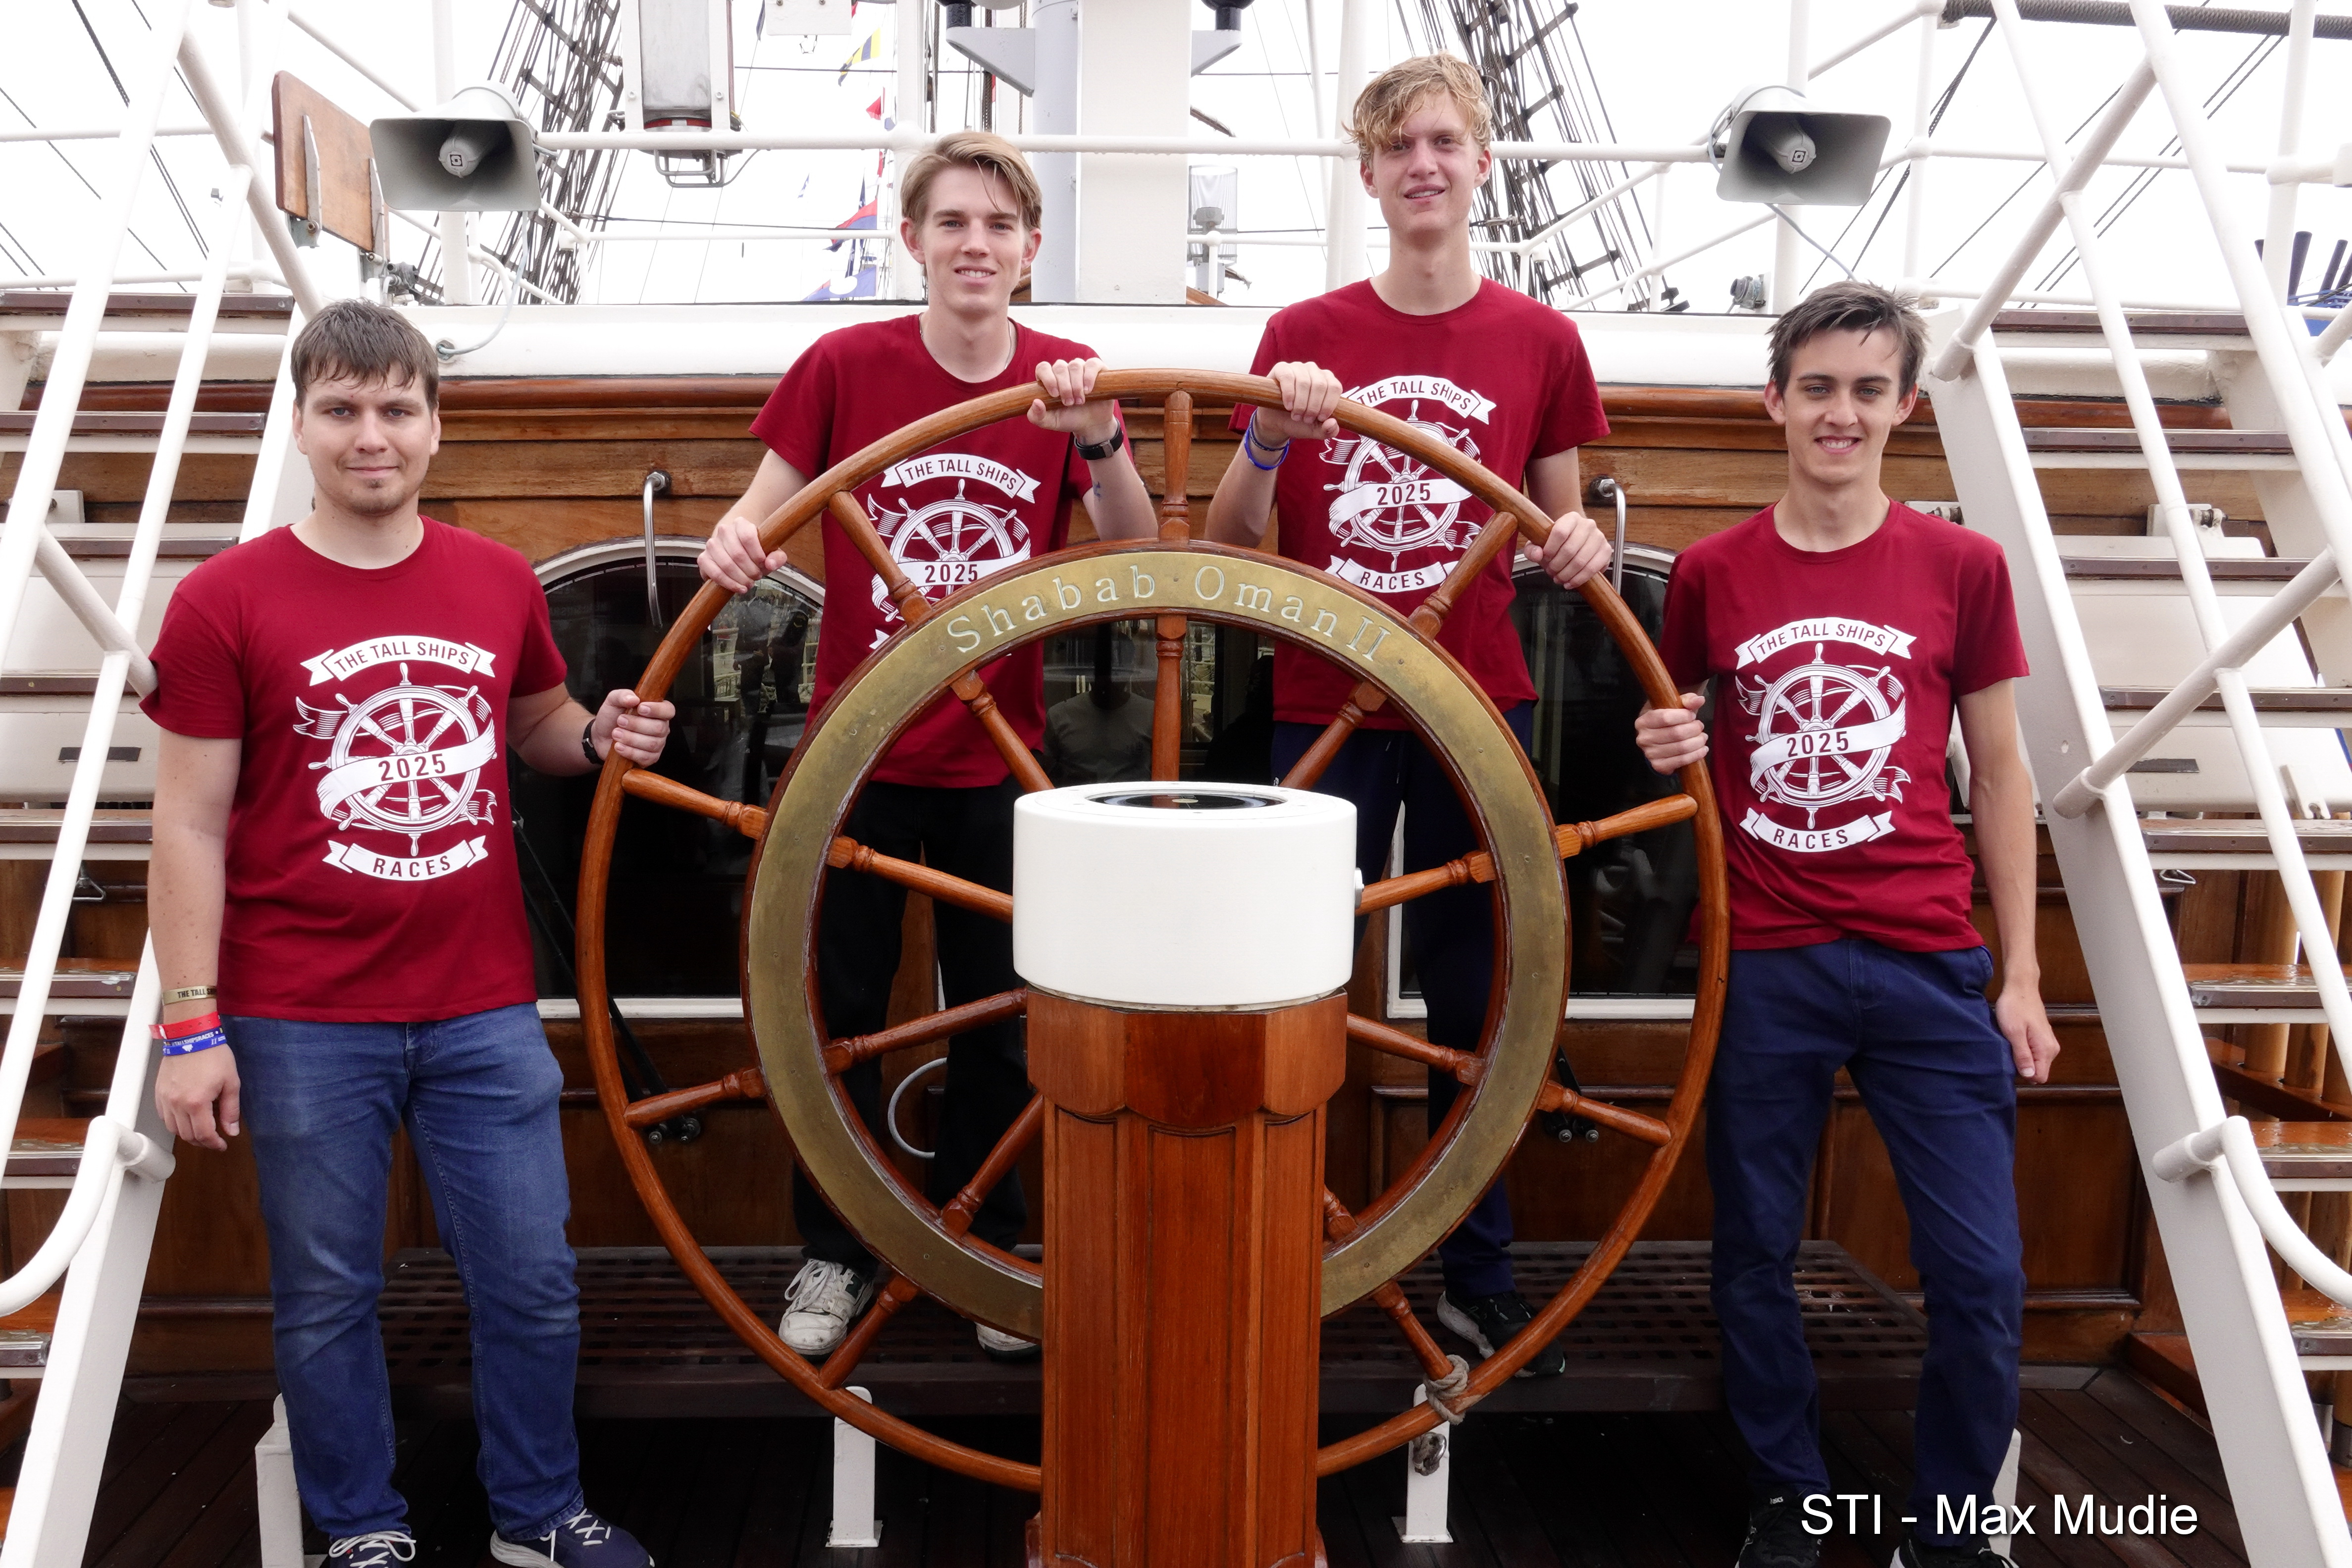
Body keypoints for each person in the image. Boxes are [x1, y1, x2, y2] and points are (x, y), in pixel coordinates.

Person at [145, 300, 674, 1568]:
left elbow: (536, 726)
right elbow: (187, 824)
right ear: (302, 424)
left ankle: (538, 1513)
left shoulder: (494, 579)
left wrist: (597, 734)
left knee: (532, 1279)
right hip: (296, 1012)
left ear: (435, 426)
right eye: (342, 409)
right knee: (329, 1293)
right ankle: (361, 1528)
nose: (370, 435)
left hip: (481, 1002)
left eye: (395, 408)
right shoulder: (222, 600)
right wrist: (188, 1022)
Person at [696, 131, 1158, 1360]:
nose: (975, 245)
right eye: (952, 223)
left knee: (1007, 1016)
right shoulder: (842, 365)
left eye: (999, 227)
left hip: (999, 764)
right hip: (857, 755)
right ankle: (835, 1254)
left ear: (1030, 249)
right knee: (830, 1014)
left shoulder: (1067, 378)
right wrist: (734, 545)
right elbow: (759, 514)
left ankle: (983, 1244)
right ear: (911, 240)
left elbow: (1132, 550)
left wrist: (1103, 434)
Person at [1633, 280, 2057, 1568]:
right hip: (1764, 955)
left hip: (1930, 959)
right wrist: (1662, 744)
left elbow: (1998, 770)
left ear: (1902, 408)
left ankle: (1953, 1522)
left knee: (1979, 1276)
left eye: (1865, 389)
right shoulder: (1706, 574)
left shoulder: (1962, 567)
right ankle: (1787, 1488)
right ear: (1774, 399)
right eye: (1815, 385)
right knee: (1752, 1244)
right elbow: (1681, 747)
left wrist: (2021, 974)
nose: (1838, 411)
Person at [1203, 52, 1612, 1379]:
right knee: (1283, 992)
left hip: (1467, 704)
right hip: (1318, 704)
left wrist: (1585, 550)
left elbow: (1556, 522)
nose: (1421, 165)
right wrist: (1273, 435)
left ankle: (1474, 1278)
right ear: (1367, 173)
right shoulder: (1302, 333)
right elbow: (1225, 543)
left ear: (1478, 160)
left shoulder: (1540, 342)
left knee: (1471, 1000)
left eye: (1442, 141)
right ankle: (1275, 1253)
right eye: (1395, 148)